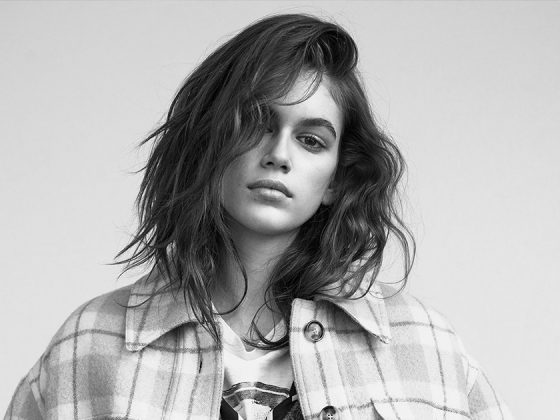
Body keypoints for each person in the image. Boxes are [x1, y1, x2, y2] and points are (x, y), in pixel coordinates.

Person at [5, 13, 512, 420]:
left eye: (311, 140)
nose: (279, 155)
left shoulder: (424, 345)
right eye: (255, 123)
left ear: (336, 180)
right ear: (209, 140)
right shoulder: (91, 345)